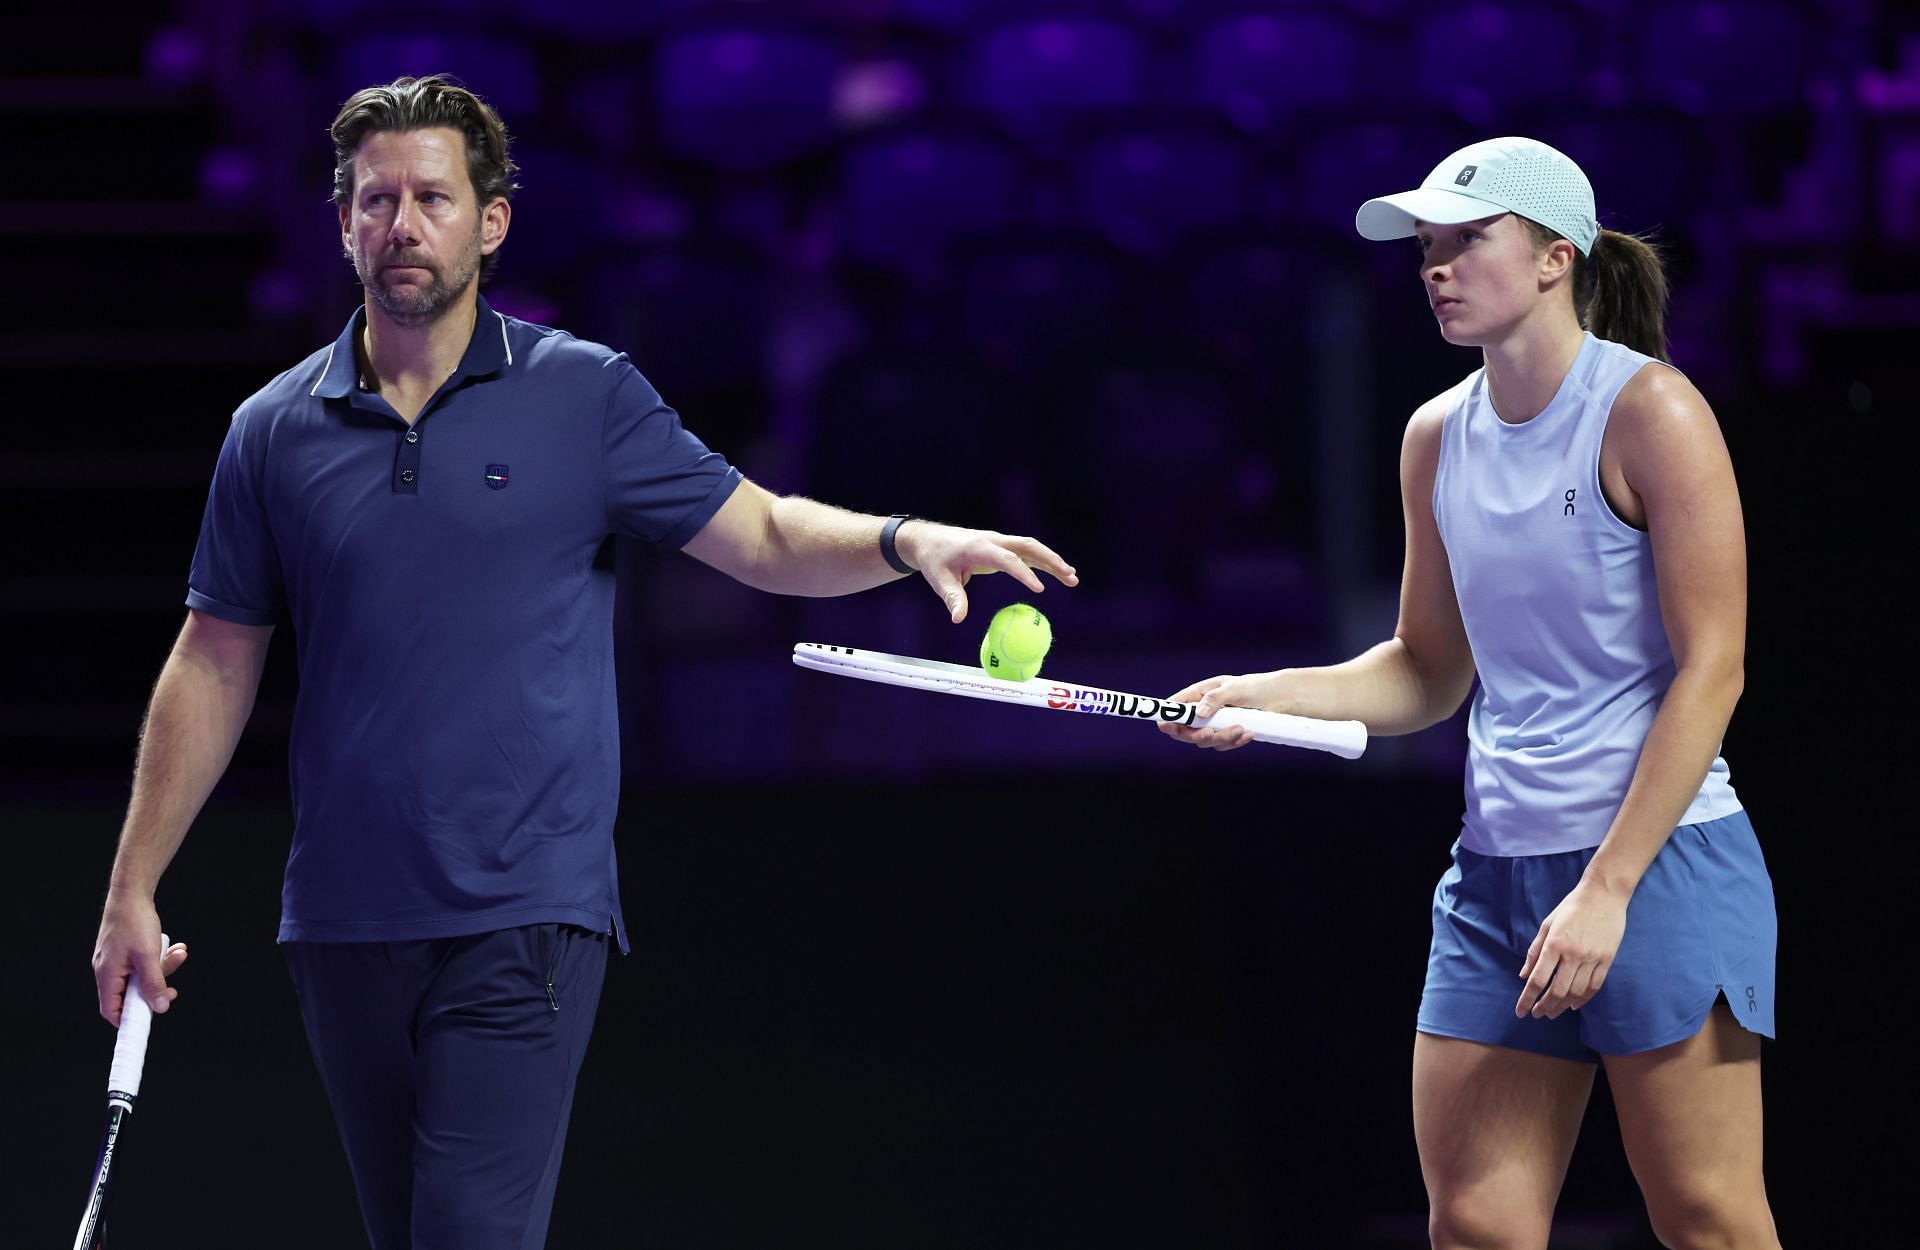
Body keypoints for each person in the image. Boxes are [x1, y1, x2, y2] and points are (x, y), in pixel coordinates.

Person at [88, 75, 1077, 1249]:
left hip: (522, 909)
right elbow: (213, 655)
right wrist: (131, 884)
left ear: (491, 220)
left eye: (434, 199)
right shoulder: (271, 429)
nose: (402, 224)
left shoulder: (585, 394)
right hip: (344, 918)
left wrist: (906, 540)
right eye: (376, 199)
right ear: (342, 219)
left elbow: (758, 532)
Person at [1160, 137, 1779, 1249]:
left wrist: (1608, 888)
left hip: (1661, 862)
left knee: (1709, 1218)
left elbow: (1714, 665)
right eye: (1427, 248)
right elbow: (1427, 669)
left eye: (1464, 240)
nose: (1434, 266)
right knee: (1480, 1223)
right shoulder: (1436, 435)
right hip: (1497, 874)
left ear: (1555, 257)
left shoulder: (1654, 413)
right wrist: (1263, 695)